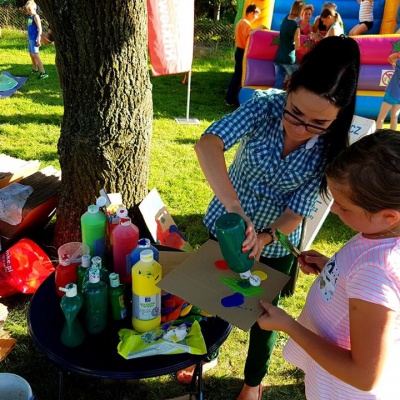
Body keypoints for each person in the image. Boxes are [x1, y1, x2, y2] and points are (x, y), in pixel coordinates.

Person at [194, 35, 360, 400]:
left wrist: (264, 239)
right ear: (289, 86)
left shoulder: (331, 151)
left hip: (275, 245)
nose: (300, 129)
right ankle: (209, 354)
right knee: (215, 294)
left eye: (318, 123)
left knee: (264, 316)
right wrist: (236, 211)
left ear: (338, 116)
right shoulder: (264, 107)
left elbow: (296, 212)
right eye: (296, 112)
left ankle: (253, 382)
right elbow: (208, 144)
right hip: (224, 223)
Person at [258, 129, 400, 400]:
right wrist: (331, 268)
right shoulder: (381, 236)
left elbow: (363, 376)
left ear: (388, 216)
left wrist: (289, 326)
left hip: (343, 391)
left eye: (345, 208)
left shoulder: (376, 270)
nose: (334, 209)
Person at [225, 4, 264, 107]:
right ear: (251, 13)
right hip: (242, 51)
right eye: (256, 15)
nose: (257, 17)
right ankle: (230, 99)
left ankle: (231, 98)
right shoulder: (245, 23)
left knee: (238, 75)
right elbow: (250, 33)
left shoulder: (243, 22)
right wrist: (260, 28)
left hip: (240, 50)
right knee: (238, 76)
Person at [274, 0, 304, 89]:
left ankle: (271, 100)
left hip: (278, 57)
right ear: (300, 11)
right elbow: (297, 46)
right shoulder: (295, 26)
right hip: (288, 59)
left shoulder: (286, 18)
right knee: (299, 81)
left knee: (278, 84)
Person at [376, 51, 400, 130]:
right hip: (398, 97)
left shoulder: (399, 64)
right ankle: (392, 138)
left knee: (381, 118)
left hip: (392, 93)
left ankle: (376, 136)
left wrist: (397, 54)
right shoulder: (398, 65)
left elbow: (391, 58)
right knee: (394, 117)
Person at [25, 0, 48, 79]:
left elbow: (40, 28)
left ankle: (43, 72)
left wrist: (38, 38)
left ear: (34, 8)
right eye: (27, 10)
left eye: (29, 10)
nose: (28, 11)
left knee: (36, 55)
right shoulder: (30, 17)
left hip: (35, 39)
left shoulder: (36, 17)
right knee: (31, 54)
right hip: (30, 39)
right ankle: (35, 69)